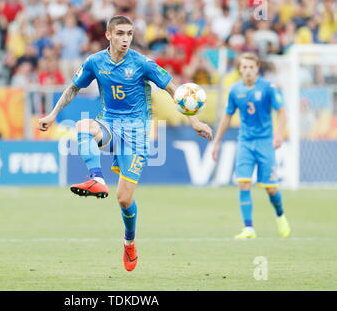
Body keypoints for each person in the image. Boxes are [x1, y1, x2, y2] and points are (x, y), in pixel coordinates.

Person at [38, 15, 212, 272]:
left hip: (136, 134)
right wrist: (53, 114)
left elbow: (175, 90)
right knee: (82, 126)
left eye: (129, 34)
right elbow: (73, 88)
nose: (125, 39)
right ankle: (96, 178)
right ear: (108, 35)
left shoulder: (142, 63)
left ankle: (129, 242)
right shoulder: (96, 62)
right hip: (109, 124)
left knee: (123, 199)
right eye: (120, 33)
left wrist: (194, 121)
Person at [212, 52, 291, 239]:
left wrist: (279, 135)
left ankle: (280, 216)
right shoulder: (234, 90)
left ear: (257, 69)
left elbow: (282, 112)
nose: (247, 71)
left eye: (251, 67)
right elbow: (227, 117)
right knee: (243, 183)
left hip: (265, 142)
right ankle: (248, 228)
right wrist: (216, 142)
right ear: (240, 69)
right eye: (244, 67)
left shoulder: (268, 88)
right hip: (245, 142)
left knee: (271, 188)